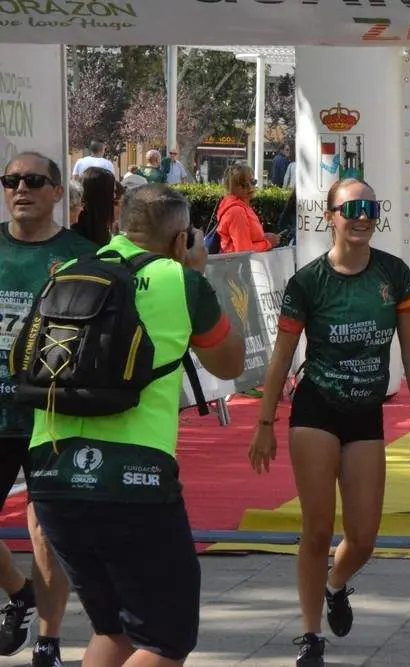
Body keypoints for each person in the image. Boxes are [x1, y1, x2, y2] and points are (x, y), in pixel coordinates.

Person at [25, 184, 245, 667]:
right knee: (165, 641)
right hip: (134, 480)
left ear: (122, 226)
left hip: (52, 476)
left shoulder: (68, 271)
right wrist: (196, 275)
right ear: (180, 238)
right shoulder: (179, 279)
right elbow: (231, 363)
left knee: (115, 629)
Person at [248, 178, 410, 667]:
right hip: (316, 410)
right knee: (316, 528)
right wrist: (265, 422)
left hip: (366, 413)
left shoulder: (394, 273)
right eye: (351, 208)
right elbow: (283, 353)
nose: (361, 216)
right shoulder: (308, 281)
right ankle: (310, 637)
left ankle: (335, 583)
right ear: (329, 217)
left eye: (370, 207)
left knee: (364, 536)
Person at [0, 152, 96, 667]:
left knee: (44, 532)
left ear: (59, 193)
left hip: (51, 416)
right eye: (11, 180)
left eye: (34, 181)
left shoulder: (81, 254)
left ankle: (49, 640)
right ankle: (19, 592)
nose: (21, 189)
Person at [217, 164, 279, 253]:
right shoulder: (237, 211)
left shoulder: (242, 206)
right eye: (243, 184)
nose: (250, 187)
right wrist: (268, 243)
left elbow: (246, 238)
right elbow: (243, 251)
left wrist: (263, 237)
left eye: (253, 182)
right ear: (232, 187)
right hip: (237, 265)